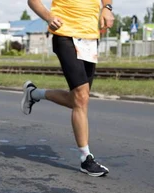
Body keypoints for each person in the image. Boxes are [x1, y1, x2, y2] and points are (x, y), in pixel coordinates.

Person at [21, 0, 113, 177]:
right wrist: (48, 17)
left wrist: (107, 8)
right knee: (81, 98)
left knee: (78, 100)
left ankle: (33, 93)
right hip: (65, 34)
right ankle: (86, 158)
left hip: (90, 37)